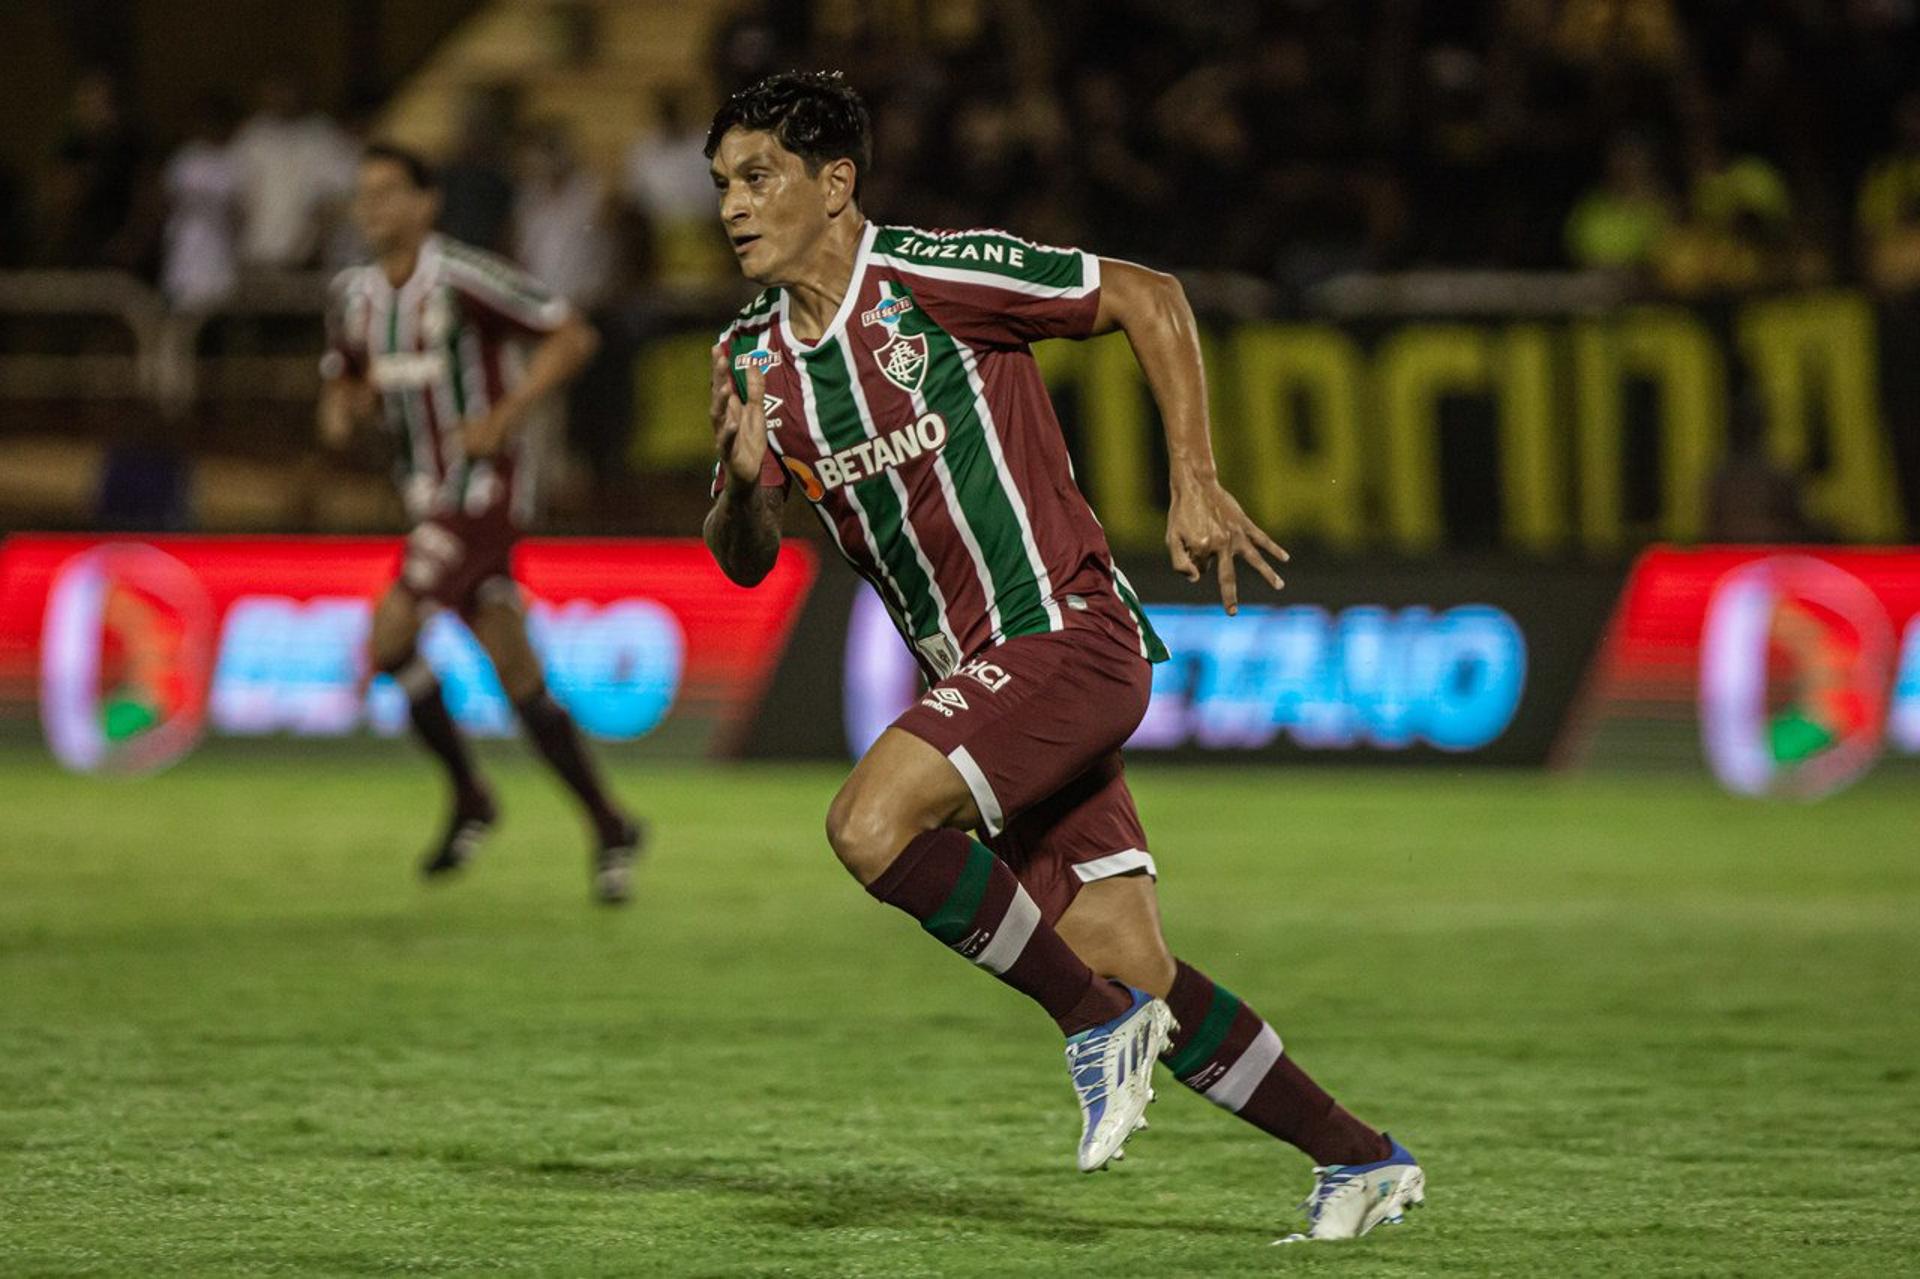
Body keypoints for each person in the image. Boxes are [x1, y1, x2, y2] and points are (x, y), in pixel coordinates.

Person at [700, 71, 1422, 1243]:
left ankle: (1091, 1027)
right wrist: (738, 486)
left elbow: (1148, 293)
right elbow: (741, 557)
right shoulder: (749, 362)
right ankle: (1361, 1158)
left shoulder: (930, 278)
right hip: (988, 687)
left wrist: (1193, 474)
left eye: (759, 177)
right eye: (724, 183)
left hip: (1068, 635)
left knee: (869, 825)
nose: (733, 205)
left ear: (835, 185)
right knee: (1137, 967)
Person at [318, 143, 643, 903]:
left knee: (389, 631)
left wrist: (507, 414)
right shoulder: (353, 296)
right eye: (365, 196)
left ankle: (470, 791)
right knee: (516, 668)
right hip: (426, 496)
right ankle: (610, 823)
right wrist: (345, 412)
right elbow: (341, 389)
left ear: (427, 204)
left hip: (486, 490)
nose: (375, 209)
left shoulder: (464, 277)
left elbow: (572, 334)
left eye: (391, 192)